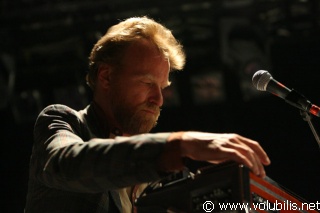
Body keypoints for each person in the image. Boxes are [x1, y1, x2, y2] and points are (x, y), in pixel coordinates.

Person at [25, 16, 270, 213]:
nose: (159, 99)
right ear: (106, 76)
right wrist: (179, 143)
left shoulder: (163, 181)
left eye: (162, 88)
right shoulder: (62, 120)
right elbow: (65, 164)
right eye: (146, 83)